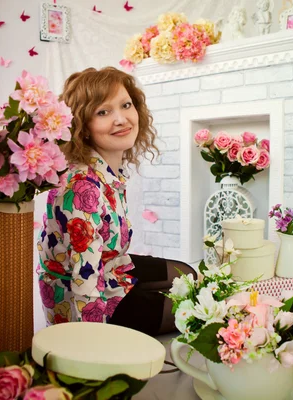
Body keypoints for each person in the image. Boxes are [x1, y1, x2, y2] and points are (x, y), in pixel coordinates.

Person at [37, 66, 196, 337]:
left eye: (126, 105)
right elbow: (84, 278)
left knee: (188, 275)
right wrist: (96, 343)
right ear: (83, 126)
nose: (121, 119)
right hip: (88, 297)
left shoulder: (107, 172)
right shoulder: (82, 188)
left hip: (111, 267)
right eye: (103, 112)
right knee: (193, 310)